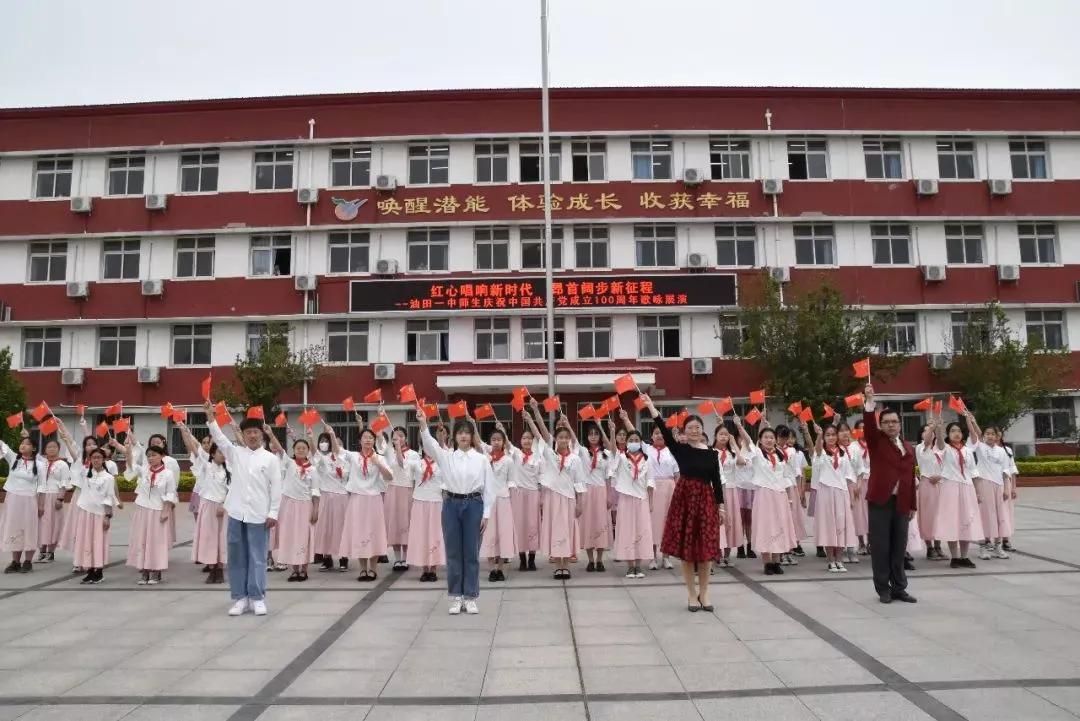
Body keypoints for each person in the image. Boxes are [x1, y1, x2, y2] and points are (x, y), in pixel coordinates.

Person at [640, 395, 726, 612]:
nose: (694, 431)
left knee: (706, 552)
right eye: (690, 427)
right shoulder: (680, 449)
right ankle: (690, 595)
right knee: (687, 552)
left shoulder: (712, 454)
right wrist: (651, 407)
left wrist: (721, 506)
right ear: (684, 431)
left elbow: (716, 482)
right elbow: (663, 429)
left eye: (697, 427)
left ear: (702, 430)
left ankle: (704, 593)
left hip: (705, 501)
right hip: (684, 500)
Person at [205, 400, 282, 617]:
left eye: (255, 432)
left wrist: (273, 512)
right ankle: (240, 598)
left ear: (262, 434)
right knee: (237, 556)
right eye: (248, 432)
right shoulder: (235, 453)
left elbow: (276, 487)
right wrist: (211, 417)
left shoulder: (270, 459)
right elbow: (219, 438)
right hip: (237, 512)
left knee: (257, 557)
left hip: (259, 514)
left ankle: (257, 597)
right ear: (244, 434)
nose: (252, 436)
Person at [417, 402, 495, 615]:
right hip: (451, 505)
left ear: (471, 436)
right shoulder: (446, 457)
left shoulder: (481, 459)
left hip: (474, 505)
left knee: (471, 552)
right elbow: (431, 445)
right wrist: (423, 423)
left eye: (466, 433)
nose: (463, 436)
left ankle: (470, 596)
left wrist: (486, 513)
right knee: (453, 552)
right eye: (459, 433)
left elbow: (489, 488)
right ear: (454, 437)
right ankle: (455, 596)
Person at [862, 384, 918, 604]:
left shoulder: (908, 447)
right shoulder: (876, 442)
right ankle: (883, 588)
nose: (891, 425)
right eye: (886, 422)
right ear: (881, 425)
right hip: (880, 501)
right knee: (881, 546)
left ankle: (899, 587)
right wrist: (869, 402)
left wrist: (913, 504)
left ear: (899, 424)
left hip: (902, 503)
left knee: (898, 547)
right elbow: (868, 424)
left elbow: (910, 478)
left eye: (894, 422)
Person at [526, 401, 585, 579]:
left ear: (569, 440)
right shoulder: (550, 455)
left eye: (566, 437)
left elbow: (579, 483)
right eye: (560, 437)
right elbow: (541, 432)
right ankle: (556, 566)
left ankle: (565, 565)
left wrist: (580, 503)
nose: (563, 440)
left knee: (566, 530)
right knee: (555, 529)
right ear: (556, 439)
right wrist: (534, 413)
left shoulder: (575, 459)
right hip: (552, 498)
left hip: (568, 499)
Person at [736, 419, 797, 576]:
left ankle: (776, 561)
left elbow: (786, 476)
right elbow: (748, 441)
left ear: (775, 439)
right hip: (764, 494)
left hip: (780, 495)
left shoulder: (781, 456)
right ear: (761, 440)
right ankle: (767, 562)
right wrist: (739, 426)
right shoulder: (757, 454)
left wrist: (789, 496)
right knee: (766, 527)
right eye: (765, 437)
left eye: (771, 437)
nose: (769, 440)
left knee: (779, 527)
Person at [335, 425, 393, 582]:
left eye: (371, 437)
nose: (368, 440)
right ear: (359, 440)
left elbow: (389, 477)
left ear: (374, 440)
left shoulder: (379, 457)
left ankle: (373, 569)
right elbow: (338, 451)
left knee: (373, 533)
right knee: (360, 532)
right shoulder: (353, 456)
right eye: (365, 437)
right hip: (357, 499)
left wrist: (378, 463)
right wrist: (331, 434)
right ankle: (362, 569)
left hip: (374, 499)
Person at [801, 419, 857, 573]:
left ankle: (839, 559)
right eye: (828, 435)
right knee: (829, 526)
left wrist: (851, 496)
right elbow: (817, 450)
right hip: (826, 492)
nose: (831, 437)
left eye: (833, 435)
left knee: (841, 526)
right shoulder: (821, 453)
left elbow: (848, 475)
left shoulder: (843, 453)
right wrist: (818, 436)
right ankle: (831, 560)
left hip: (841, 492)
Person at [178, 420, 229, 584]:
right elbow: (195, 448)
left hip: (222, 508)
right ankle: (211, 567)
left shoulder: (229, 471)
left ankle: (220, 569)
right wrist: (185, 432)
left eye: (224, 452)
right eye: (219, 452)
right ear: (212, 454)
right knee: (208, 537)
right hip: (207, 506)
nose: (222, 454)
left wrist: (223, 505)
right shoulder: (206, 467)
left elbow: (231, 491)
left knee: (221, 538)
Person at [123, 432, 177, 585]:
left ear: (161, 456)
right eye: (149, 456)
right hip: (142, 509)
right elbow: (131, 465)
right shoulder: (145, 470)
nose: (150, 458)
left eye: (153, 455)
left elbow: (170, 493)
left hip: (158, 511)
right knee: (142, 539)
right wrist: (128, 450)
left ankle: (156, 571)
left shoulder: (167, 474)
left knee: (156, 541)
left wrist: (166, 511)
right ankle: (144, 570)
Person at [932, 412, 984, 569]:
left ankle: (964, 556)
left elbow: (974, 473)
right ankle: (954, 557)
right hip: (950, 488)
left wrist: (978, 492)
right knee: (952, 522)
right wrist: (939, 429)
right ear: (949, 434)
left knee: (966, 521)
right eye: (953, 431)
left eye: (959, 431)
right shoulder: (945, 449)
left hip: (967, 488)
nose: (956, 433)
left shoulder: (967, 450)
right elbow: (940, 444)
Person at [607, 422, 654, 578]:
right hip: (626, 499)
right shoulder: (621, 458)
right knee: (628, 531)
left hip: (642, 499)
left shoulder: (647, 460)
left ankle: (639, 566)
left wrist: (651, 502)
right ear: (626, 443)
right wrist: (613, 432)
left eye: (636, 440)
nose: (634, 443)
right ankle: (630, 566)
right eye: (631, 440)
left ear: (641, 443)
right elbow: (613, 451)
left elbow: (650, 481)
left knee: (641, 531)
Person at [964, 413, 1011, 560]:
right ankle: (983, 547)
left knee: (999, 516)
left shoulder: (1002, 451)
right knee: (985, 516)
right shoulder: (981, 447)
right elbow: (975, 433)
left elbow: (1006, 471)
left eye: (993, 434)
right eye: (987, 434)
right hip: (984, 484)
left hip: (999, 486)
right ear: (984, 436)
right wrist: (971, 420)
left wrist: (1007, 489)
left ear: (998, 436)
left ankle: (998, 546)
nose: (990, 436)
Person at [475, 419, 517, 582]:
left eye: (499, 439)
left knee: (503, 534)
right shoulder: (485, 459)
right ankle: (492, 568)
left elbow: (512, 482)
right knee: (489, 534)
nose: (496, 442)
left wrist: (512, 502)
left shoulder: (508, 460)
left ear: (503, 442)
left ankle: (500, 568)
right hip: (488, 502)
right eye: (493, 440)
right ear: (490, 442)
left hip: (504, 501)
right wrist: (472, 422)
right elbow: (477, 441)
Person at [70, 448, 118, 584]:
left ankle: (99, 571)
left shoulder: (108, 478)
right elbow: (75, 457)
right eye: (93, 457)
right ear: (89, 459)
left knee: (98, 542)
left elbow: (109, 497)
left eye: (99, 457)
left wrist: (107, 516)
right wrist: (66, 437)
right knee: (86, 541)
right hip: (85, 512)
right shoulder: (85, 474)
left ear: (103, 460)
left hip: (99, 514)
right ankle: (89, 570)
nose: (96, 460)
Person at [570, 421, 612, 572]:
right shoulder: (582, 451)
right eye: (590, 434)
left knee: (601, 524)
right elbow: (573, 438)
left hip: (601, 491)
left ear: (600, 436)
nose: (593, 437)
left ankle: (600, 560)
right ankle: (590, 560)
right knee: (588, 524)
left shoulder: (605, 454)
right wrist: (568, 424)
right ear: (587, 437)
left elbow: (608, 477)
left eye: (596, 434)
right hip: (587, 492)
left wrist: (609, 496)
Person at [0, 431, 42, 573]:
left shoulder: (40, 464)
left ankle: (28, 561)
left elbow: (42, 486)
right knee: (14, 528)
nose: (23, 445)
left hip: (29, 500)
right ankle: (15, 561)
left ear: (34, 448)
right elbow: (2, 445)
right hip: (13, 499)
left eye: (27, 444)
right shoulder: (13, 459)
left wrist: (41, 505)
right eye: (22, 443)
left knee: (28, 529)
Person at [506, 414, 543, 572]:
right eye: (524, 438)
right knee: (520, 525)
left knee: (532, 525)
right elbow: (506, 443)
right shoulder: (516, 454)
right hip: (519, 495)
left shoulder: (538, 458)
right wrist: (502, 429)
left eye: (529, 438)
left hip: (533, 494)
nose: (527, 440)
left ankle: (532, 559)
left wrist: (541, 497)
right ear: (520, 441)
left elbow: (541, 478)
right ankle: (522, 559)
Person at [311, 428, 350, 572]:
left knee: (340, 527)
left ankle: (343, 558)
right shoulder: (324, 459)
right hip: (326, 495)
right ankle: (327, 558)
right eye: (332, 443)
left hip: (341, 496)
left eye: (337, 444)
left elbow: (346, 475)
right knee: (325, 528)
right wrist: (310, 437)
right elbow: (315, 455)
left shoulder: (346, 459)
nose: (334, 446)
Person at [406, 444, 444, 582]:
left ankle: (433, 569)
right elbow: (402, 465)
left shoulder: (441, 464)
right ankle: (424, 569)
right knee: (421, 534)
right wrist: (398, 446)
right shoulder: (417, 463)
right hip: (420, 501)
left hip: (436, 502)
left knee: (435, 534)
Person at [643, 424, 679, 571]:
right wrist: (625, 418)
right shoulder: (646, 450)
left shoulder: (672, 451)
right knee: (652, 523)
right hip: (652, 488)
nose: (659, 436)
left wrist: (679, 491)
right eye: (656, 433)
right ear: (651, 436)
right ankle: (652, 557)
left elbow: (677, 473)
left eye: (662, 433)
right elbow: (632, 430)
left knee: (667, 523)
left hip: (669, 487)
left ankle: (666, 557)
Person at [383, 425, 418, 571]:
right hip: (392, 490)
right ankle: (398, 559)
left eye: (401, 436)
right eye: (396, 436)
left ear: (406, 438)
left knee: (407, 524)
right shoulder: (388, 452)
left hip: (407, 491)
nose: (399, 438)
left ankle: (407, 558)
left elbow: (402, 464)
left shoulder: (414, 454)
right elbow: (379, 441)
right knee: (395, 524)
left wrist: (398, 448)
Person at [36, 438, 71, 564]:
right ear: (45, 449)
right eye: (49, 447)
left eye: (54, 447)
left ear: (58, 449)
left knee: (53, 524)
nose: (51, 449)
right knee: (41, 523)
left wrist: (60, 498)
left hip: (54, 496)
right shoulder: (41, 463)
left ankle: (50, 552)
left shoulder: (62, 464)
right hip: (41, 496)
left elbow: (64, 483)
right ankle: (41, 551)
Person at [712, 422, 742, 568]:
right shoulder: (711, 452)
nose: (723, 437)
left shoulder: (732, 453)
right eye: (721, 434)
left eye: (726, 434)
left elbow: (741, 462)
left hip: (731, 490)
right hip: (717, 491)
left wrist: (734, 443)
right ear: (715, 436)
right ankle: (717, 554)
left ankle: (728, 555)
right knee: (718, 522)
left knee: (731, 522)